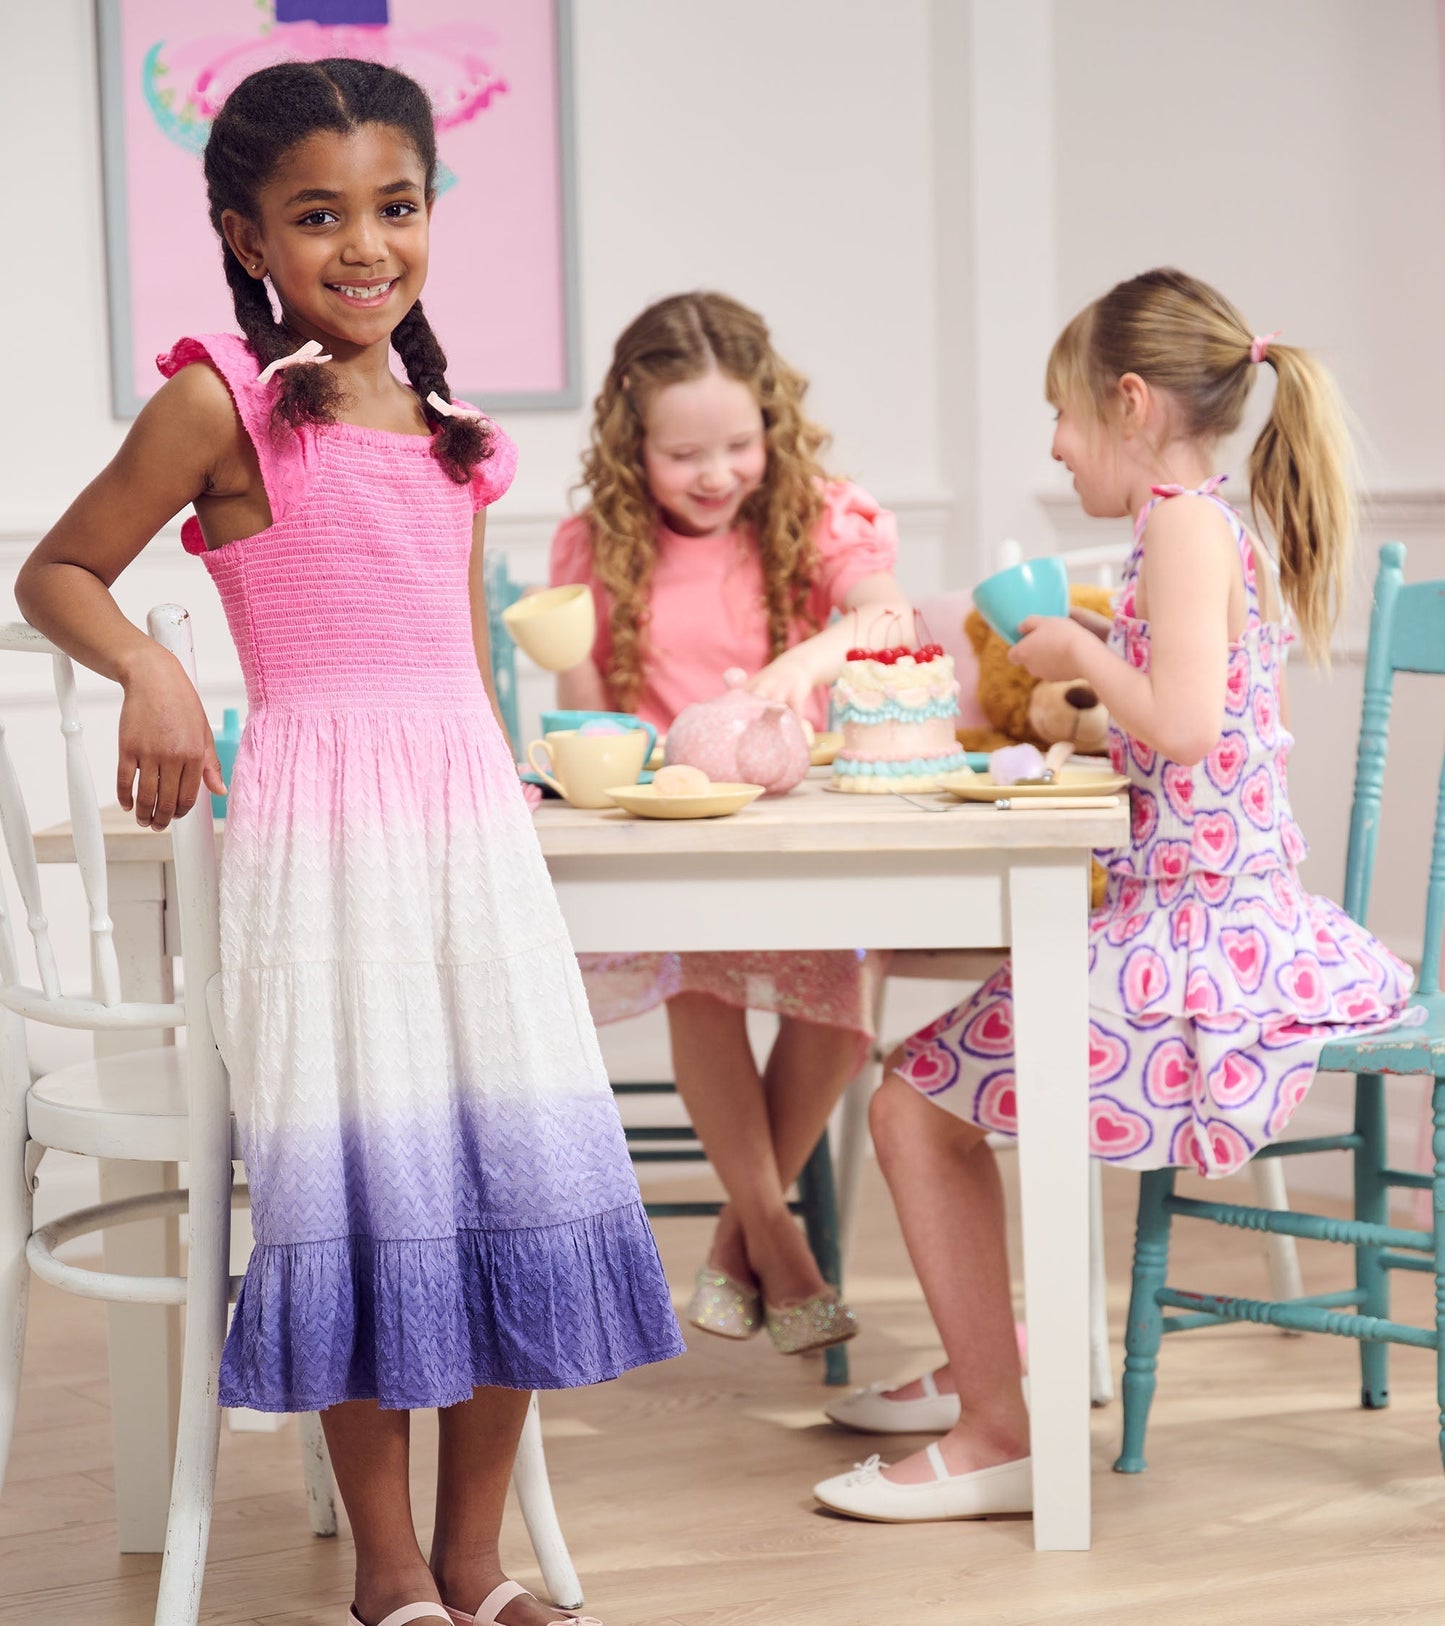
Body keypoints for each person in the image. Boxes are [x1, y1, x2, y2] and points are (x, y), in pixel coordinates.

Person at [16, 58, 681, 1626]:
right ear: (248, 233)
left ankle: (476, 1560)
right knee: (358, 1193)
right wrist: (158, 665)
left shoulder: (454, 433)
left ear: (431, 213)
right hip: (321, 847)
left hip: (466, 837)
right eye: (319, 215)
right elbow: (57, 574)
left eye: (396, 206)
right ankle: (389, 1574)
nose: (364, 243)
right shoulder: (218, 404)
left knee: (512, 1172)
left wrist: (513, 789)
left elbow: (457, 665)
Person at [812, 267, 1420, 1522]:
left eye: (1061, 411)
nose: (1050, 440)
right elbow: (1234, 730)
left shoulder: (1182, 526)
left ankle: (995, 1428)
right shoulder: (1201, 522)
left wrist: (1086, 652)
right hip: (1201, 912)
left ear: (1129, 403)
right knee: (927, 1091)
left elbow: (1192, 725)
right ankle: (988, 1369)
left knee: (911, 1106)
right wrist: (1102, 709)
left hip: (1200, 944)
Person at [549, 291, 913, 1355]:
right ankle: (783, 1250)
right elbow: (590, 713)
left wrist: (806, 660)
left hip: (796, 823)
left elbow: (887, 617)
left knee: (844, 983)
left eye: (739, 444)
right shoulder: (595, 545)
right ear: (634, 447)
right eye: (682, 454)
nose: (715, 475)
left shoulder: (813, 512)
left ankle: (735, 1245)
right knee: (700, 986)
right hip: (673, 831)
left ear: (771, 426)